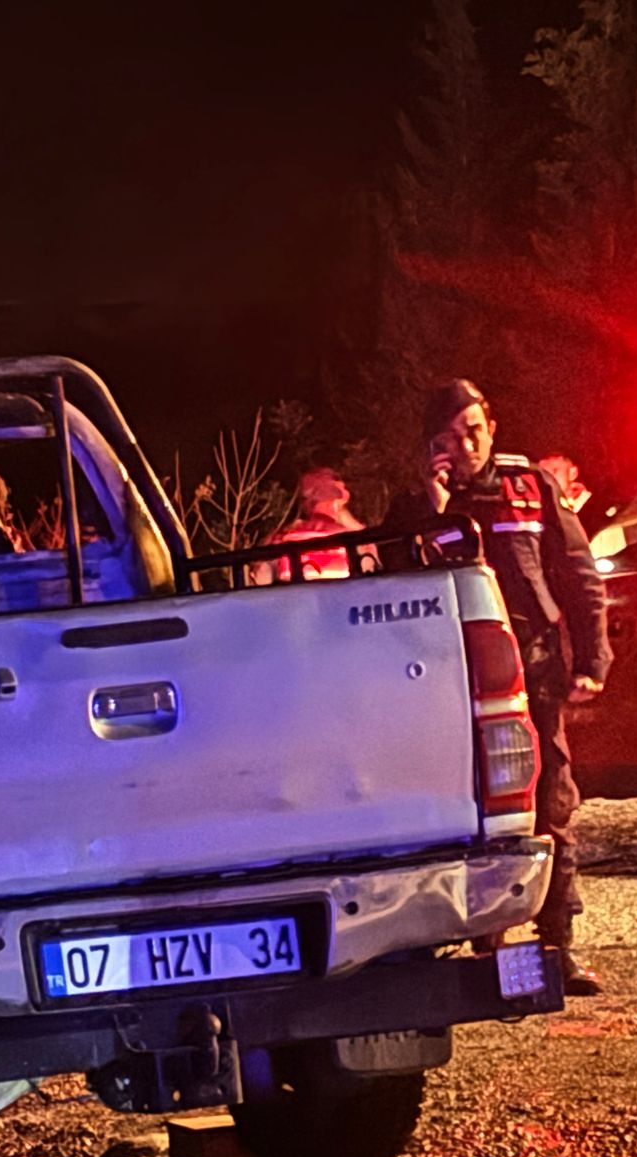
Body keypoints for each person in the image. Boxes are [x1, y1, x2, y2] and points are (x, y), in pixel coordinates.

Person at [386, 380, 612, 996]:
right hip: (451, 681)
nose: (466, 446)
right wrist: (433, 512)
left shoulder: (530, 486)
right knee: (472, 809)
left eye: (474, 431)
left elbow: (579, 575)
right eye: (450, 438)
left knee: (551, 801)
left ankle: (557, 944)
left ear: (493, 428)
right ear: (430, 444)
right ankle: (486, 945)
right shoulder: (413, 506)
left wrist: (593, 657)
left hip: (532, 670)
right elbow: (391, 588)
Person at [249, 467, 364, 584]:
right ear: (336, 503)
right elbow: (371, 570)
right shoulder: (354, 539)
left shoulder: (279, 538)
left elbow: (261, 580)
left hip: (294, 600)